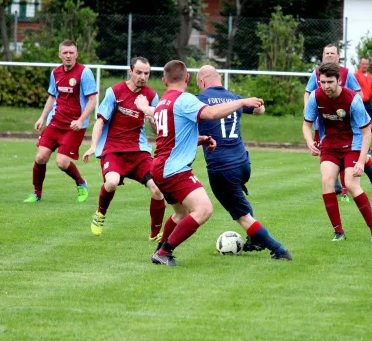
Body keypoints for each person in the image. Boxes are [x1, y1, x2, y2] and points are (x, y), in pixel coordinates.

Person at [134, 60, 264, 267]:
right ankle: (165, 252)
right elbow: (212, 114)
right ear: (187, 78)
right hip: (173, 169)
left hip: (159, 165)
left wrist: (201, 139)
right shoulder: (184, 99)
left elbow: (173, 135)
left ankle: (160, 249)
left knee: (180, 213)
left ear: (164, 81)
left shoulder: (164, 101)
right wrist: (241, 102)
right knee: (203, 210)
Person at [195, 65, 292, 260]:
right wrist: (259, 105)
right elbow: (260, 109)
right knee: (238, 197)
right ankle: (254, 239)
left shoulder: (200, 100)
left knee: (242, 216)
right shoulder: (235, 98)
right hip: (242, 164)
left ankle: (279, 250)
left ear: (203, 82)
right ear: (219, 80)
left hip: (222, 167)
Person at [82, 57, 166, 240]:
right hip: (114, 150)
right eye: (139, 72)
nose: (143, 77)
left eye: (146, 73)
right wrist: (93, 147)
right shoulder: (115, 92)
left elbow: (157, 128)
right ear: (130, 71)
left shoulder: (151, 96)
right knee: (111, 182)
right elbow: (100, 121)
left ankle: (155, 234)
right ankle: (100, 214)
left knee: (157, 188)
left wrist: (153, 122)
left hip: (139, 152)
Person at [303, 62, 372, 243]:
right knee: (327, 181)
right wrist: (310, 142)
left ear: (339, 81)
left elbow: (366, 132)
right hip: (330, 146)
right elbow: (306, 124)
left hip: (352, 144)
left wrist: (362, 161)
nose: (326, 86)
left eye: (330, 82)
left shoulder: (352, 99)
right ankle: (339, 232)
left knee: (351, 184)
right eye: (323, 82)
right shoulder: (316, 97)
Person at [304, 44, 372, 201]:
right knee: (332, 155)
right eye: (326, 53)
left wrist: (348, 107)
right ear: (322, 56)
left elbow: (359, 94)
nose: (329, 56)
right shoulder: (316, 74)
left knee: (362, 157)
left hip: (349, 126)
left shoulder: (347, 74)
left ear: (338, 56)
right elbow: (308, 93)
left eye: (332, 53)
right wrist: (308, 110)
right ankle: (341, 189)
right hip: (327, 124)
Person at [23, 40, 97, 203]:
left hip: (74, 126)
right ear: (60, 55)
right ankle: (36, 194)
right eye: (65, 53)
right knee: (41, 157)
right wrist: (42, 117)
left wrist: (81, 120)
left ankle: (81, 182)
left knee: (62, 162)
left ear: (76, 55)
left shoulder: (84, 73)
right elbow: (52, 96)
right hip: (56, 122)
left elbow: (92, 99)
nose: (68, 56)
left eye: (71, 53)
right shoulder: (55, 73)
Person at [354, 56, 372, 156]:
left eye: (366, 64)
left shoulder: (369, 75)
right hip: (360, 103)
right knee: (363, 126)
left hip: (368, 103)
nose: (365, 65)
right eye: (363, 64)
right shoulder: (356, 75)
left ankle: (365, 146)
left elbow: (371, 89)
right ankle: (362, 148)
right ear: (359, 64)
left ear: (368, 64)